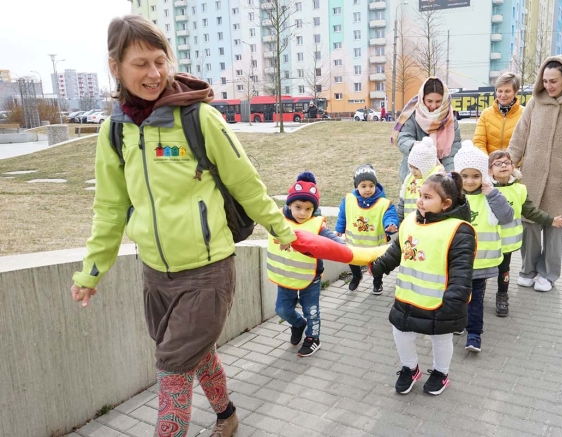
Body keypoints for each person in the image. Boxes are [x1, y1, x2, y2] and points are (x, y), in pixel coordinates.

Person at [69, 15, 297, 437]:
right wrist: (92, 271)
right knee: (196, 352)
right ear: (115, 67)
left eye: (160, 61)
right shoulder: (114, 132)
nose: (154, 74)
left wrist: (283, 230)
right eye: (140, 64)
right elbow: (109, 207)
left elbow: (245, 182)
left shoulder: (199, 118)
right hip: (155, 272)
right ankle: (226, 415)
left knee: (173, 366)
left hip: (208, 270)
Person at [370, 172, 476, 395]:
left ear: (446, 204)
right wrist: (379, 266)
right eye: (420, 195)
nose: (420, 200)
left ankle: (441, 372)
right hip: (407, 295)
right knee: (400, 332)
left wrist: (455, 299)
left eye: (427, 197)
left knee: (440, 338)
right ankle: (410, 368)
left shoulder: (459, 231)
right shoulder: (410, 221)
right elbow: (398, 250)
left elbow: (462, 271)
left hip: (440, 301)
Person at [508, 55, 562, 292]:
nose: (548, 86)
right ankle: (528, 269)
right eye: (545, 81)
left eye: (553, 81)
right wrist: (507, 165)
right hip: (531, 176)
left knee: (555, 227)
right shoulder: (536, 103)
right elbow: (519, 137)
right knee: (530, 225)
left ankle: (548, 274)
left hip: (561, 179)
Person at [269, 172, 342, 357]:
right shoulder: (278, 221)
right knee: (282, 309)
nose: (303, 213)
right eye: (298, 207)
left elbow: (334, 241)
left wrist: (347, 249)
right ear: (289, 204)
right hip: (286, 276)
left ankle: (313, 338)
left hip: (311, 277)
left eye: (308, 209)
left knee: (312, 311)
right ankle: (298, 324)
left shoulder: (317, 225)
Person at [488, 150, 562, 317]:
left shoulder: (520, 189)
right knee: (480, 271)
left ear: (513, 167)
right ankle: (475, 297)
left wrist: (550, 220)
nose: (503, 165)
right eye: (498, 163)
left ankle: (502, 296)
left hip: (505, 243)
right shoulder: (483, 190)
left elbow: (531, 212)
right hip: (484, 242)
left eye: (507, 163)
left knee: (504, 270)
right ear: (489, 170)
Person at [454, 141, 514, 352]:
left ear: (484, 176)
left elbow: (507, 217)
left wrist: (492, 193)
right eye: (465, 176)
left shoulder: (491, 196)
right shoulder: (452, 198)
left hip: (481, 262)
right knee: (457, 297)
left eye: (476, 176)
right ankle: (460, 323)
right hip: (456, 263)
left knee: (475, 300)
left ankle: (474, 334)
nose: (470, 181)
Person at [336, 164, 399, 294]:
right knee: (352, 259)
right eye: (363, 186)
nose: (367, 189)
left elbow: (390, 215)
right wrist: (339, 228)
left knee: (377, 264)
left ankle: (377, 282)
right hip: (354, 243)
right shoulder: (348, 200)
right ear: (356, 186)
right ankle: (357, 276)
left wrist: (391, 224)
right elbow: (343, 215)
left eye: (371, 185)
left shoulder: (384, 203)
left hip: (375, 245)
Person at [392, 77, 462, 181]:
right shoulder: (412, 114)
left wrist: (449, 176)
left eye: (438, 101)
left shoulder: (450, 119)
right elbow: (403, 139)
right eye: (429, 101)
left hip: (440, 176)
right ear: (422, 98)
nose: (433, 106)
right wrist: (415, 146)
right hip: (414, 175)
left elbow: (453, 150)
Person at [473, 72, 524, 155]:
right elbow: (479, 142)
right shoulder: (486, 114)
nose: (503, 95)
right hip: (490, 164)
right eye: (500, 91)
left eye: (507, 91)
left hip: (515, 166)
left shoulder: (524, 114)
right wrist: (489, 162)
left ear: (515, 92)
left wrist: (509, 164)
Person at [397, 137, 445, 220]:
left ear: (427, 167)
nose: (413, 171)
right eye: (411, 167)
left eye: (416, 168)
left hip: (427, 225)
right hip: (409, 223)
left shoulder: (437, 179)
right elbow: (402, 199)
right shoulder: (409, 178)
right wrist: (399, 218)